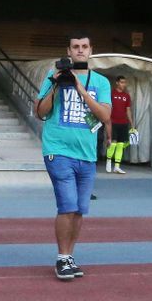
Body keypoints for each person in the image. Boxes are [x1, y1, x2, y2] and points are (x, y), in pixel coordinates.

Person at [35, 34, 111, 280]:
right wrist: (56, 85)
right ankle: (62, 257)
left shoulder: (100, 82)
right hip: (58, 150)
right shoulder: (53, 77)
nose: (80, 50)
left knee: (79, 209)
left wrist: (81, 89)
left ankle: (69, 256)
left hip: (86, 154)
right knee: (67, 205)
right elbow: (40, 112)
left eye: (84, 46)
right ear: (68, 51)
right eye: (75, 47)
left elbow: (105, 116)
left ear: (91, 50)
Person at [104, 75, 133, 174]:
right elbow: (107, 107)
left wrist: (131, 123)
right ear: (117, 83)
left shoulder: (126, 96)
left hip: (123, 123)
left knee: (120, 145)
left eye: (124, 82)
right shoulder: (111, 94)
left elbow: (128, 110)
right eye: (121, 82)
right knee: (113, 143)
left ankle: (117, 166)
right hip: (113, 122)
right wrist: (106, 119)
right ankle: (108, 161)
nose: (123, 84)